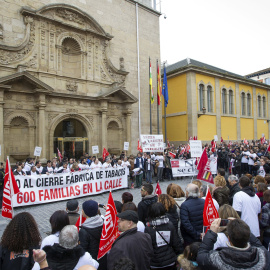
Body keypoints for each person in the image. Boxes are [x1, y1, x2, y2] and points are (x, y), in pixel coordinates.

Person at [197, 218, 270, 269]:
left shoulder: (219, 259)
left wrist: (212, 233)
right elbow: (259, 246)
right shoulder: (262, 256)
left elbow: (201, 256)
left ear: (229, 239)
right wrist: (242, 228)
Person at [144, 202, 183, 270]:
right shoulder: (169, 225)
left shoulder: (148, 228)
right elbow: (176, 243)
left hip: (155, 262)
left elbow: (147, 247)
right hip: (170, 260)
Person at [79, 200, 107, 270]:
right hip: (104, 259)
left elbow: (82, 251)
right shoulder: (104, 222)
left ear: (84, 212)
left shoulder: (83, 231)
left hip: (92, 263)